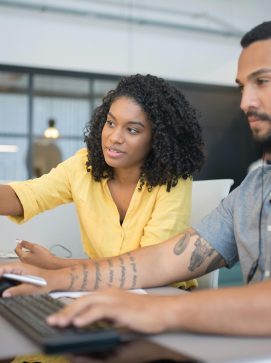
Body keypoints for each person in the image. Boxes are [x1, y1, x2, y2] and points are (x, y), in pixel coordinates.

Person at [2, 21, 271, 337]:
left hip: (161, 301)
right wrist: (52, 278)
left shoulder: (172, 179)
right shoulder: (253, 189)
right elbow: (159, 261)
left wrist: (156, 310)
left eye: (263, 81)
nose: (244, 102)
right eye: (242, 87)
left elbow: (159, 276)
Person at [0, 74, 204, 289]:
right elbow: (24, 196)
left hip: (161, 295)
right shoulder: (83, 167)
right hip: (105, 290)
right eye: (110, 122)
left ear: (159, 139)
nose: (114, 137)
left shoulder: (173, 180)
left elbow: (148, 266)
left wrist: (56, 264)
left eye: (132, 130)